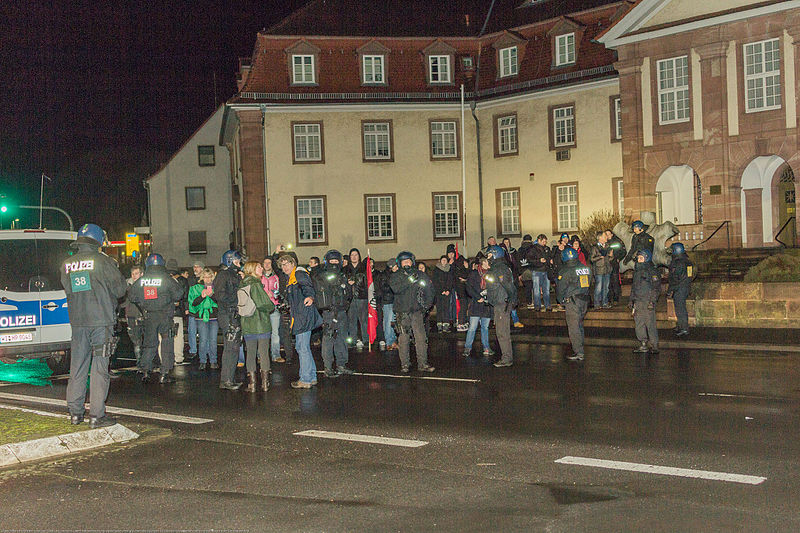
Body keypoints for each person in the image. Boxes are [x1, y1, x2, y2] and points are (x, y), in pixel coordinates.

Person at [60, 223, 127, 428]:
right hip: (100, 322)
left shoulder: (66, 264)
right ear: (98, 241)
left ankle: (75, 413)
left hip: (78, 323)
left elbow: (69, 290)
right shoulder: (103, 262)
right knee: (99, 368)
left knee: (77, 368)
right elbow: (120, 290)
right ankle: (97, 415)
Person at [130, 253, 185, 384]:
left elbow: (132, 296)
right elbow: (179, 294)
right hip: (165, 315)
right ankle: (165, 373)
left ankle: (145, 371)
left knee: (149, 343)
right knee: (166, 342)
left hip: (149, 315)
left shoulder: (142, 280)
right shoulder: (166, 278)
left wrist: (143, 302)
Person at [277, 253, 321, 388]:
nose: (284, 267)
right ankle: (311, 376)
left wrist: (310, 297)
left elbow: (308, 287)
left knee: (302, 347)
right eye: (282, 265)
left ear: (293, 263)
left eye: (286, 264)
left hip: (303, 316)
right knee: (304, 347)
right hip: (300, 315)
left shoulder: (298, 274)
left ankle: (305, 379)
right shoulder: (290, 278)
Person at [390, 251, 435, 373]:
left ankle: (422, 363)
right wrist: (409, 280)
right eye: (404, 261)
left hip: (417, 312)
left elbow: (429, 290)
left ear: (412, 261)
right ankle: (405, 364)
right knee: (403, 339)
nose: (406, 263)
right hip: (402, 313)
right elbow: (395, 288)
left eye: (408, 261)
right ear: (400, 263)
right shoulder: (396, 276)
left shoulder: (420, 275)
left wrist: (426, 306)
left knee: (421, 338)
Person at [313, 250, 354, 378]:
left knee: (341, 338)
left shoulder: (342, 276)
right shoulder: (322, 276)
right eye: (332, 261)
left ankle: (341, 364)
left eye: (337, 261)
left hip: (341, 311)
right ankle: (328, 366)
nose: (334, 263)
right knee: (328, 338)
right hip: (330, 312)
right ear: (327, 262)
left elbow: (348, 294)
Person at [239, 261, 275, 392]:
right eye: (258, 267)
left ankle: (252, 384)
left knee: (250, 353)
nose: (261, 268)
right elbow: (263, 304)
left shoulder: (242, 284)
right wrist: (272, 305)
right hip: (261, 323)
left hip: (247, 324)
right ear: (252, 270)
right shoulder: (255, 284)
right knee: (264, 353)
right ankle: (265, 383)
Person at [213, 249, 245, 390]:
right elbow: (220, 296)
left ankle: (229, 378)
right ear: (229, 261)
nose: (239, 264)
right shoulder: (223, 275)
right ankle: (226, 380)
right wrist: (236, 299)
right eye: (237, 261)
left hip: (232, 314)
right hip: (228, 314)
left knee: (233, 348)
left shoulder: (233, 275)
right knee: (230, 348)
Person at [483, 245, 517, 367]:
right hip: (499, 303)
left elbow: (509, 286)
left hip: (502, 304)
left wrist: (511, 301)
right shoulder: (497, 268)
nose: (487, 257)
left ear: (495, 254)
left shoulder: (500, 269)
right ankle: (506, 357)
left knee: (503, 332)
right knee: (501, 331)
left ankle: (507, 359)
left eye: (489, 255)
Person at [556, 247, 592, 361]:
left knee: (574, 327)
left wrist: (561, 300)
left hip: (572, 301)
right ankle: (580, 348)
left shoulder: (566, 271)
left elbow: (561, 288)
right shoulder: (586, 268)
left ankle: (578, 352)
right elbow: (590, 282)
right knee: (580, 325)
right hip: (584, 299)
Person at [630, 249, 661, 354]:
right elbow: (634, 287)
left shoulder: (652, 270)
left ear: (647, 258)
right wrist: (632, 300)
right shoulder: (637, 271)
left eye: (641, 258)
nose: (639, 260)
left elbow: (656, 288)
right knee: (639, 324)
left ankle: (654, 345)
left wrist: (652, 301)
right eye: (638, 258)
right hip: (638, 301)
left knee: (650, 324)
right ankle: (643, 344)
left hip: (647, 301)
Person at [188, 268, 218, 370]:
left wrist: (212, 295)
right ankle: (203, 361)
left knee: (213, 340)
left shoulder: (216, 287)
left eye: (209, 277)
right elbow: (193, 303)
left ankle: (213, 360)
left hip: (213, 317)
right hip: (201, 317)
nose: (207, 280)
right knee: (203, 340)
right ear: (202, 278)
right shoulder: (196, 288)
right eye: (205, 277)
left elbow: (220, 301)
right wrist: (202, 296)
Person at [463, 258, 493, 358]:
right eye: (485, 262)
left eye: (488, 262)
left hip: (486, 305)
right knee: (472, 327)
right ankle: (467, 348)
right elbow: (469, 287)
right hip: (476, 304)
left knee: (485, 327)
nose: (487, 264)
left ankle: (486, 347)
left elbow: (493, 287)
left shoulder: (490, 274)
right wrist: (478, 297)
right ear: (482, 263)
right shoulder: (474, 274)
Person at [667, 242, 694, 337]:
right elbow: (690, 275)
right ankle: (681, 325)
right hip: (685, 287)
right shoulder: (688, 262)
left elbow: (674, 278)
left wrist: (670, 290)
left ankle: (684, 328)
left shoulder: (677, 263)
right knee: (680, 308)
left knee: (680, 309)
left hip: (679, 289)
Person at [343, 248, 368, 348]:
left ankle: (366, 340)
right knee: (351, 320)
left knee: (364, 320)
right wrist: (347, 284)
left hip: (362, 297)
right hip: (350, 298)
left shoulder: (364, 268)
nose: (354, 257)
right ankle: (353, 339)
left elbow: (367, 282)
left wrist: (356, 282)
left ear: (359, 256)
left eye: (356, 255)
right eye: (352, 255)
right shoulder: (345, 269)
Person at [261, 256, 284, 363]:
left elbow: (280, 291)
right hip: (262, 308)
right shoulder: (259, 277)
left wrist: (275, 295)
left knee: (275, 333)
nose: (267, 265)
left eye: (269, 263)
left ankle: (276, 355)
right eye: (265, 263)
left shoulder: (276, 277)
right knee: (262, 333)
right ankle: (261, 356)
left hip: (274, 307)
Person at [123, 265, 145, 372]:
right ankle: (140, 363)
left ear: (141, 274)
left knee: (147, 341)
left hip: (144, 315)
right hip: (132, 316)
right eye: (132, 274)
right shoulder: (127, 286)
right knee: (137, 342)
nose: (134, 276)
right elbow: (124, 303)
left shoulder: (146, 285)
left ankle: (146, 363)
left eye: (136, 273)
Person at [446, 244, 469, 331]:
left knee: (464, 304)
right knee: (457, 305)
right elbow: (450, 275)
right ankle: (460, 322)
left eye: (452, 253)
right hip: (454, 287)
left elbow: (464, 272)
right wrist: (450, 265)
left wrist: (466, 271)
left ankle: (463, 321)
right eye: (449, 253)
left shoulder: (460, 259)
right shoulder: (448, 262)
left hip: (462, 286)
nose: (451, 255)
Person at [185, 260, 204, 362]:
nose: (195, 269)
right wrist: (187, 307)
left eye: (197, 266)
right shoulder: (190, 280)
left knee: (203, 332)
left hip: (202, 310)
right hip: (193, 310)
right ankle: (193, 350)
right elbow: (188, 295)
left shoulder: (205, 280)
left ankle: (203, 351)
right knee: (191, 331)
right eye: (194, 267)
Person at [378, 258, 398, 350]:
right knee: (388, 321)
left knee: (394, 321)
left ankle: (393, 341)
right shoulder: (385, 275)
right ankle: (389, 342)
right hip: (388, 300)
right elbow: (383, 287)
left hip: (396, 300)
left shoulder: (398, 274)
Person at [432, 255, 455, 332]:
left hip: (447, 293)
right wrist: (441, 290)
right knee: (440, 309)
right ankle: (439, 325)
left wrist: (448, 290)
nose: (444, 261)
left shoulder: (449, 269)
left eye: (445, 260)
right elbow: (435, 281)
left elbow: (450, 280)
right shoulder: (436, 270)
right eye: (443, 260)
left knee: (446, 308)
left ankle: (446, 325)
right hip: (439, 292)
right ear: (440, 261)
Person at [589, 230, 612, 309]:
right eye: (605, 236)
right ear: (600, 238)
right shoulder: (595, 247)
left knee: (606, 288)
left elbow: (611, 258)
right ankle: (597, 303)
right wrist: (600, 257)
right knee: (598, 288)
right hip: (599, 270)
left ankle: (605, 303)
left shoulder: (608, 246)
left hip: (607, 269)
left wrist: (610, 256)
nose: (606, 237)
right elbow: (591, 259)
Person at [529, 234, 552, 311]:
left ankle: (547, 305)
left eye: (545, 241)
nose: (545, 243)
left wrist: (549, 261)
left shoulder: (547, 248)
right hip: (537, 271)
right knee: (536, 290)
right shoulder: (533, 249)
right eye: (543, 241)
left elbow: (549, 257)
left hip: (545, 271)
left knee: (546, 290)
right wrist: (539, 261)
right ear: (539, 240)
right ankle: (537, 306)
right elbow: (529, 260)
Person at [605, 229, 626, 306]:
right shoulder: (604, 242)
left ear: (612, 234)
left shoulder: (617, 241)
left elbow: (623, 251)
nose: (607, 236)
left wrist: (618, 258)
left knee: (615, 280)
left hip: (614, 264)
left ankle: (616, 298)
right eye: (606, 234)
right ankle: (609, 298)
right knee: (608, 282)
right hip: (606, 264)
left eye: (608, 234)